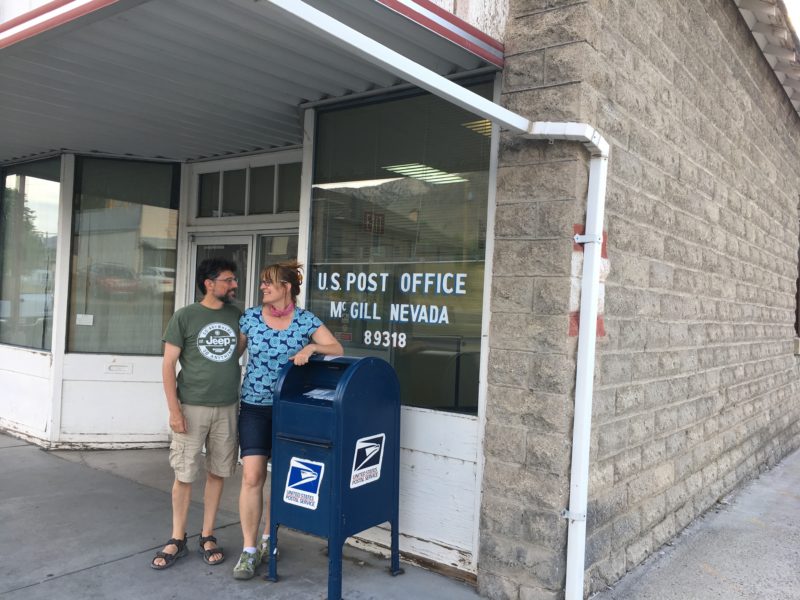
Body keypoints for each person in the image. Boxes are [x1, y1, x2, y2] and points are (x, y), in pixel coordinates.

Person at [233, 260, 343, 580]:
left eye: (269, 282)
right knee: (252, 476)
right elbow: (233, 355)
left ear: (286, 287)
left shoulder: (305, 319)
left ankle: (270, 539)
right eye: (262, 282)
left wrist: (311, 346)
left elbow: (335, 346)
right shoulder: (250, 318)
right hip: (254, 407)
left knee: (281, 476)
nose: (262, 287)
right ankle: (249, 550)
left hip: (289, 409)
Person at [151, 258, 242, 570]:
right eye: (228, 280)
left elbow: (235, 350)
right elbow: (167, 365)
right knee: (185, 473)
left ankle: (207, 534)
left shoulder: (236, 315)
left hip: (228, 406)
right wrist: (174, 410)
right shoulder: (185, 316)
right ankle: (177, 537)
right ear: (209, 283)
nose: (234, 285)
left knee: (218, 471)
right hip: (191, 406)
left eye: (234, 280)